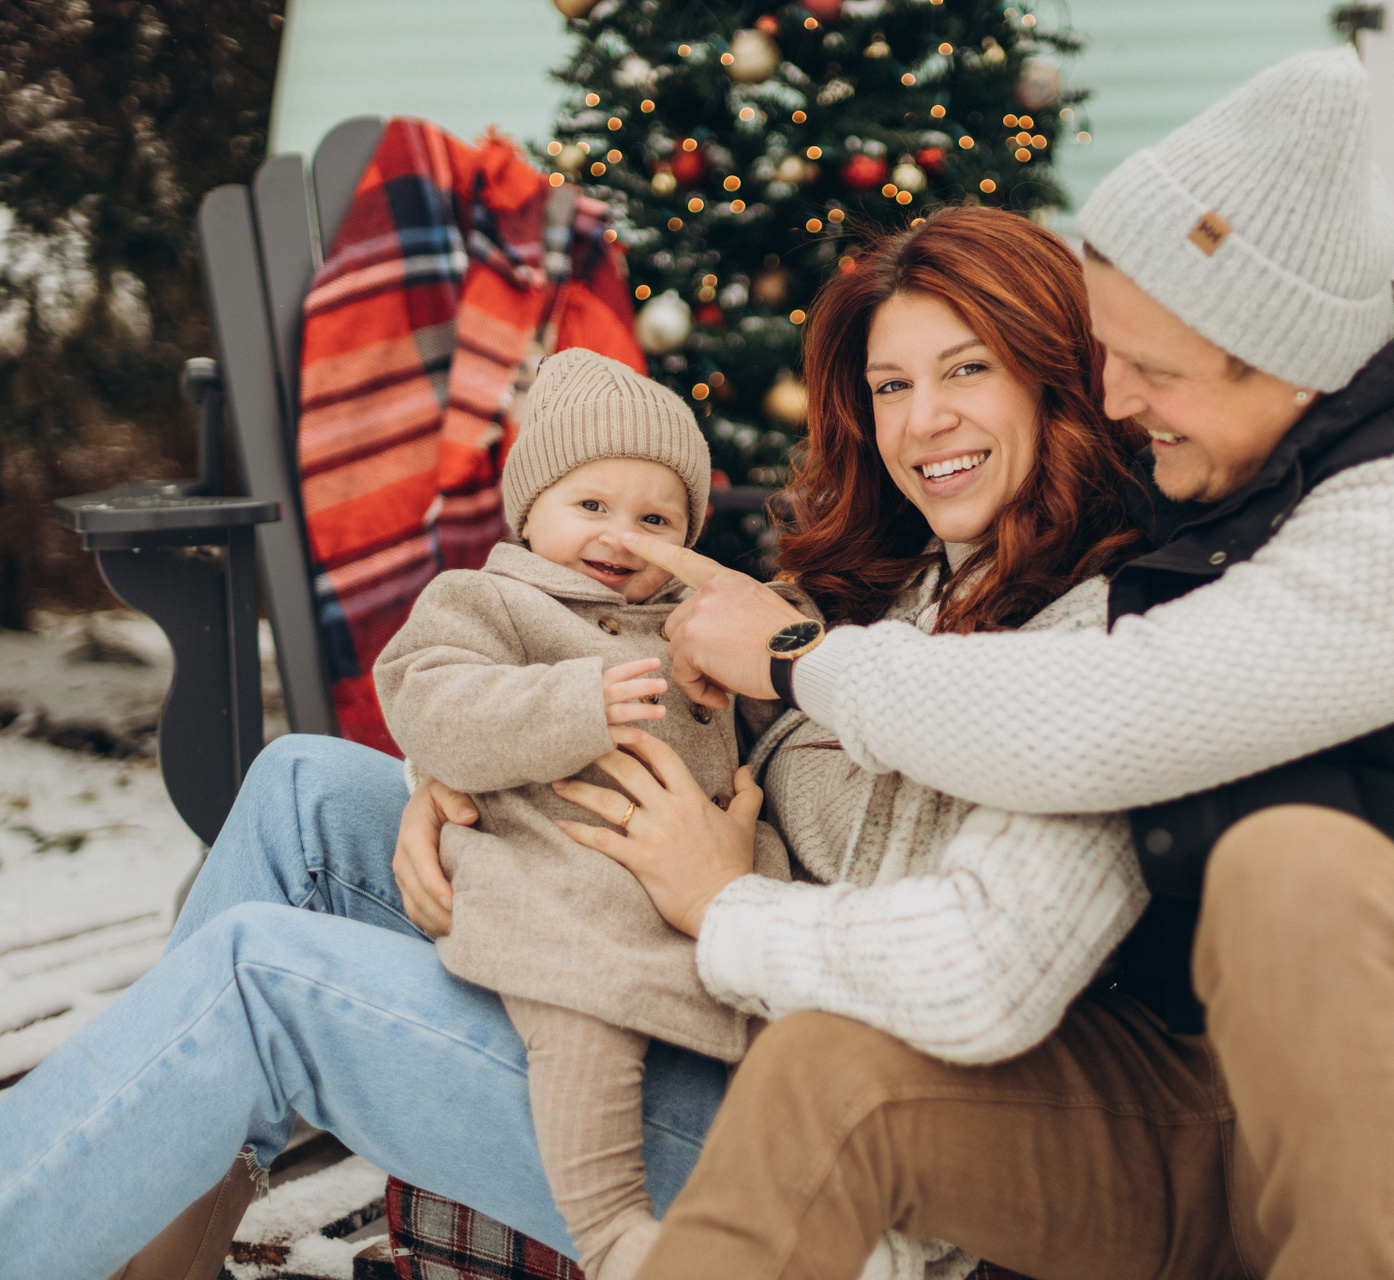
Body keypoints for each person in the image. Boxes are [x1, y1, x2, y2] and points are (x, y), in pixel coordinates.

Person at [609, 48, 1394, 1280]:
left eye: (1151, 369)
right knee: (826, 1070)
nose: (1111, 400)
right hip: (1200, 1088)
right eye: (1106, 354)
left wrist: (799, 662)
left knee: (1295, 865)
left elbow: (1099, 719)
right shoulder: (1206, 488)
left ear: (1283, 354)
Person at [0, 206, 1148, 1280]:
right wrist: (456, 772)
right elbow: (611, 691)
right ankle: (135, 1251)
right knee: (303, 788)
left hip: (800, 1124)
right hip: (647, 946)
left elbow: (974, 971)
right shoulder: (911, 579)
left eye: (967, 370)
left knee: (259, 974)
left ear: (1057, 374)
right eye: (892, 385)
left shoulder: (1103, 645)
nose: (921, 420)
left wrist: (720, 894)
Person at [372, 349, 792, 1280]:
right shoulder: (487, 601)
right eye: (591, 505)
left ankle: (794, 1206)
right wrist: (573, 703)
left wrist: (736, 679)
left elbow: (777, 709)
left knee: (783, 1036)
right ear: (531, 510)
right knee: (581, 1026)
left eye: (656, 519)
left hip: (698, 898)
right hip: (554, 890)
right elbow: (428, 702)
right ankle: (610, 1234)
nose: (622, 538)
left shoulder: (697, 616)